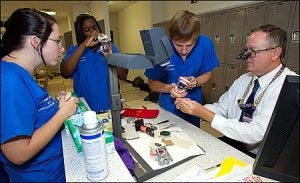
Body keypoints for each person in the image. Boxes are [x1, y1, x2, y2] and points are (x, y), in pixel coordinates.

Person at [174, 24, 297, 157]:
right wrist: (191, 106)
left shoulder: (289, 87)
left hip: (264, 156)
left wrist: (204, 113)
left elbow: (255, 133)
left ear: (275, 53)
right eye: (246, 50)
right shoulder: (244, 79)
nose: (245, 56)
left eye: (253, 51)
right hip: (236, 142)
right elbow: (222, 108)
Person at [0, 8, 78, 182]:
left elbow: (31, 115)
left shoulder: (19, 73)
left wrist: (55, 105)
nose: (62, 47)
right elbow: (18, 153)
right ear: (35, 42)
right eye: (57, 41)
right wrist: (63, 113)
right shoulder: (9, 80)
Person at [144, 10, 219, 128]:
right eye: (178, 45)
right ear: (171, 38)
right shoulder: (160, 49)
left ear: (196, 38)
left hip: (193, 106)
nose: (184, 51)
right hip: (169, 107)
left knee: (193, 139)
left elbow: (208, 74)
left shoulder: (205, 44)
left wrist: (196, 82)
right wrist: (170, 88)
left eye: (189, 45)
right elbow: (152, 83)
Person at [60, 13, 126, 113]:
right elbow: (65, 72)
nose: (93, 32)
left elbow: (123, 75)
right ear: (81, 33)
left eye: (94, 27)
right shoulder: (75, 50)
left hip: (109, 105)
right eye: (87, 30)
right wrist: (84, 46)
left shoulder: (110, 47)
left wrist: (110, 56)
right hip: (85, 107)